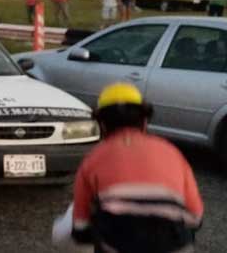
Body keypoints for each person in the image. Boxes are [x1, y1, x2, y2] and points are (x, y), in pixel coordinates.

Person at [71, 83, 203, 253]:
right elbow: (196, 217)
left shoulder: (93, 159)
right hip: (174, 245)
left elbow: (80, 227)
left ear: (102, 125)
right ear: (144, 121)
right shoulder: (172, 152)